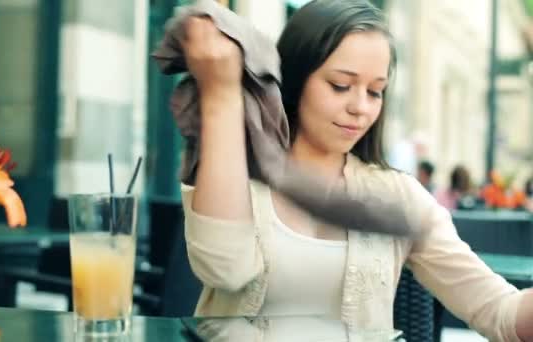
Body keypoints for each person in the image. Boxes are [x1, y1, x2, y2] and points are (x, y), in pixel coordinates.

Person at [178, 0, 533, 340]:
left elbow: (498, 312)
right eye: (340, 86)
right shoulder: (235, 172)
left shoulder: (397, 197)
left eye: (375, 91)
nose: (360, 108)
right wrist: (220, 92)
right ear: (296, 78)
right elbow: (223, 269)